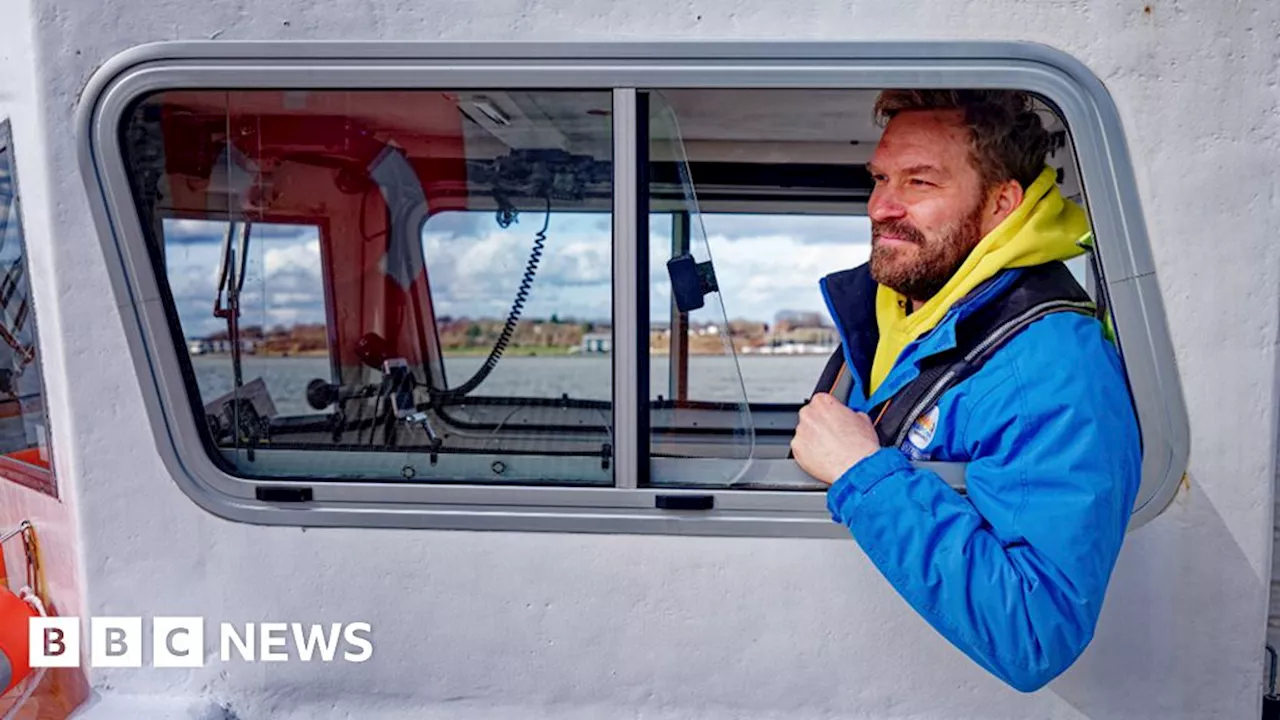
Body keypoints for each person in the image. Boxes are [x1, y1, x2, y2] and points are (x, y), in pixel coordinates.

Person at [789, 90, 1141, 693]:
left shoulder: (1051, 366)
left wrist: (861, 470)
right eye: (879, 178)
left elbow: (1037, 629)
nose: (881, 206)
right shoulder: (908, 306)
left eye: (919, 183)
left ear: (1003, 201)